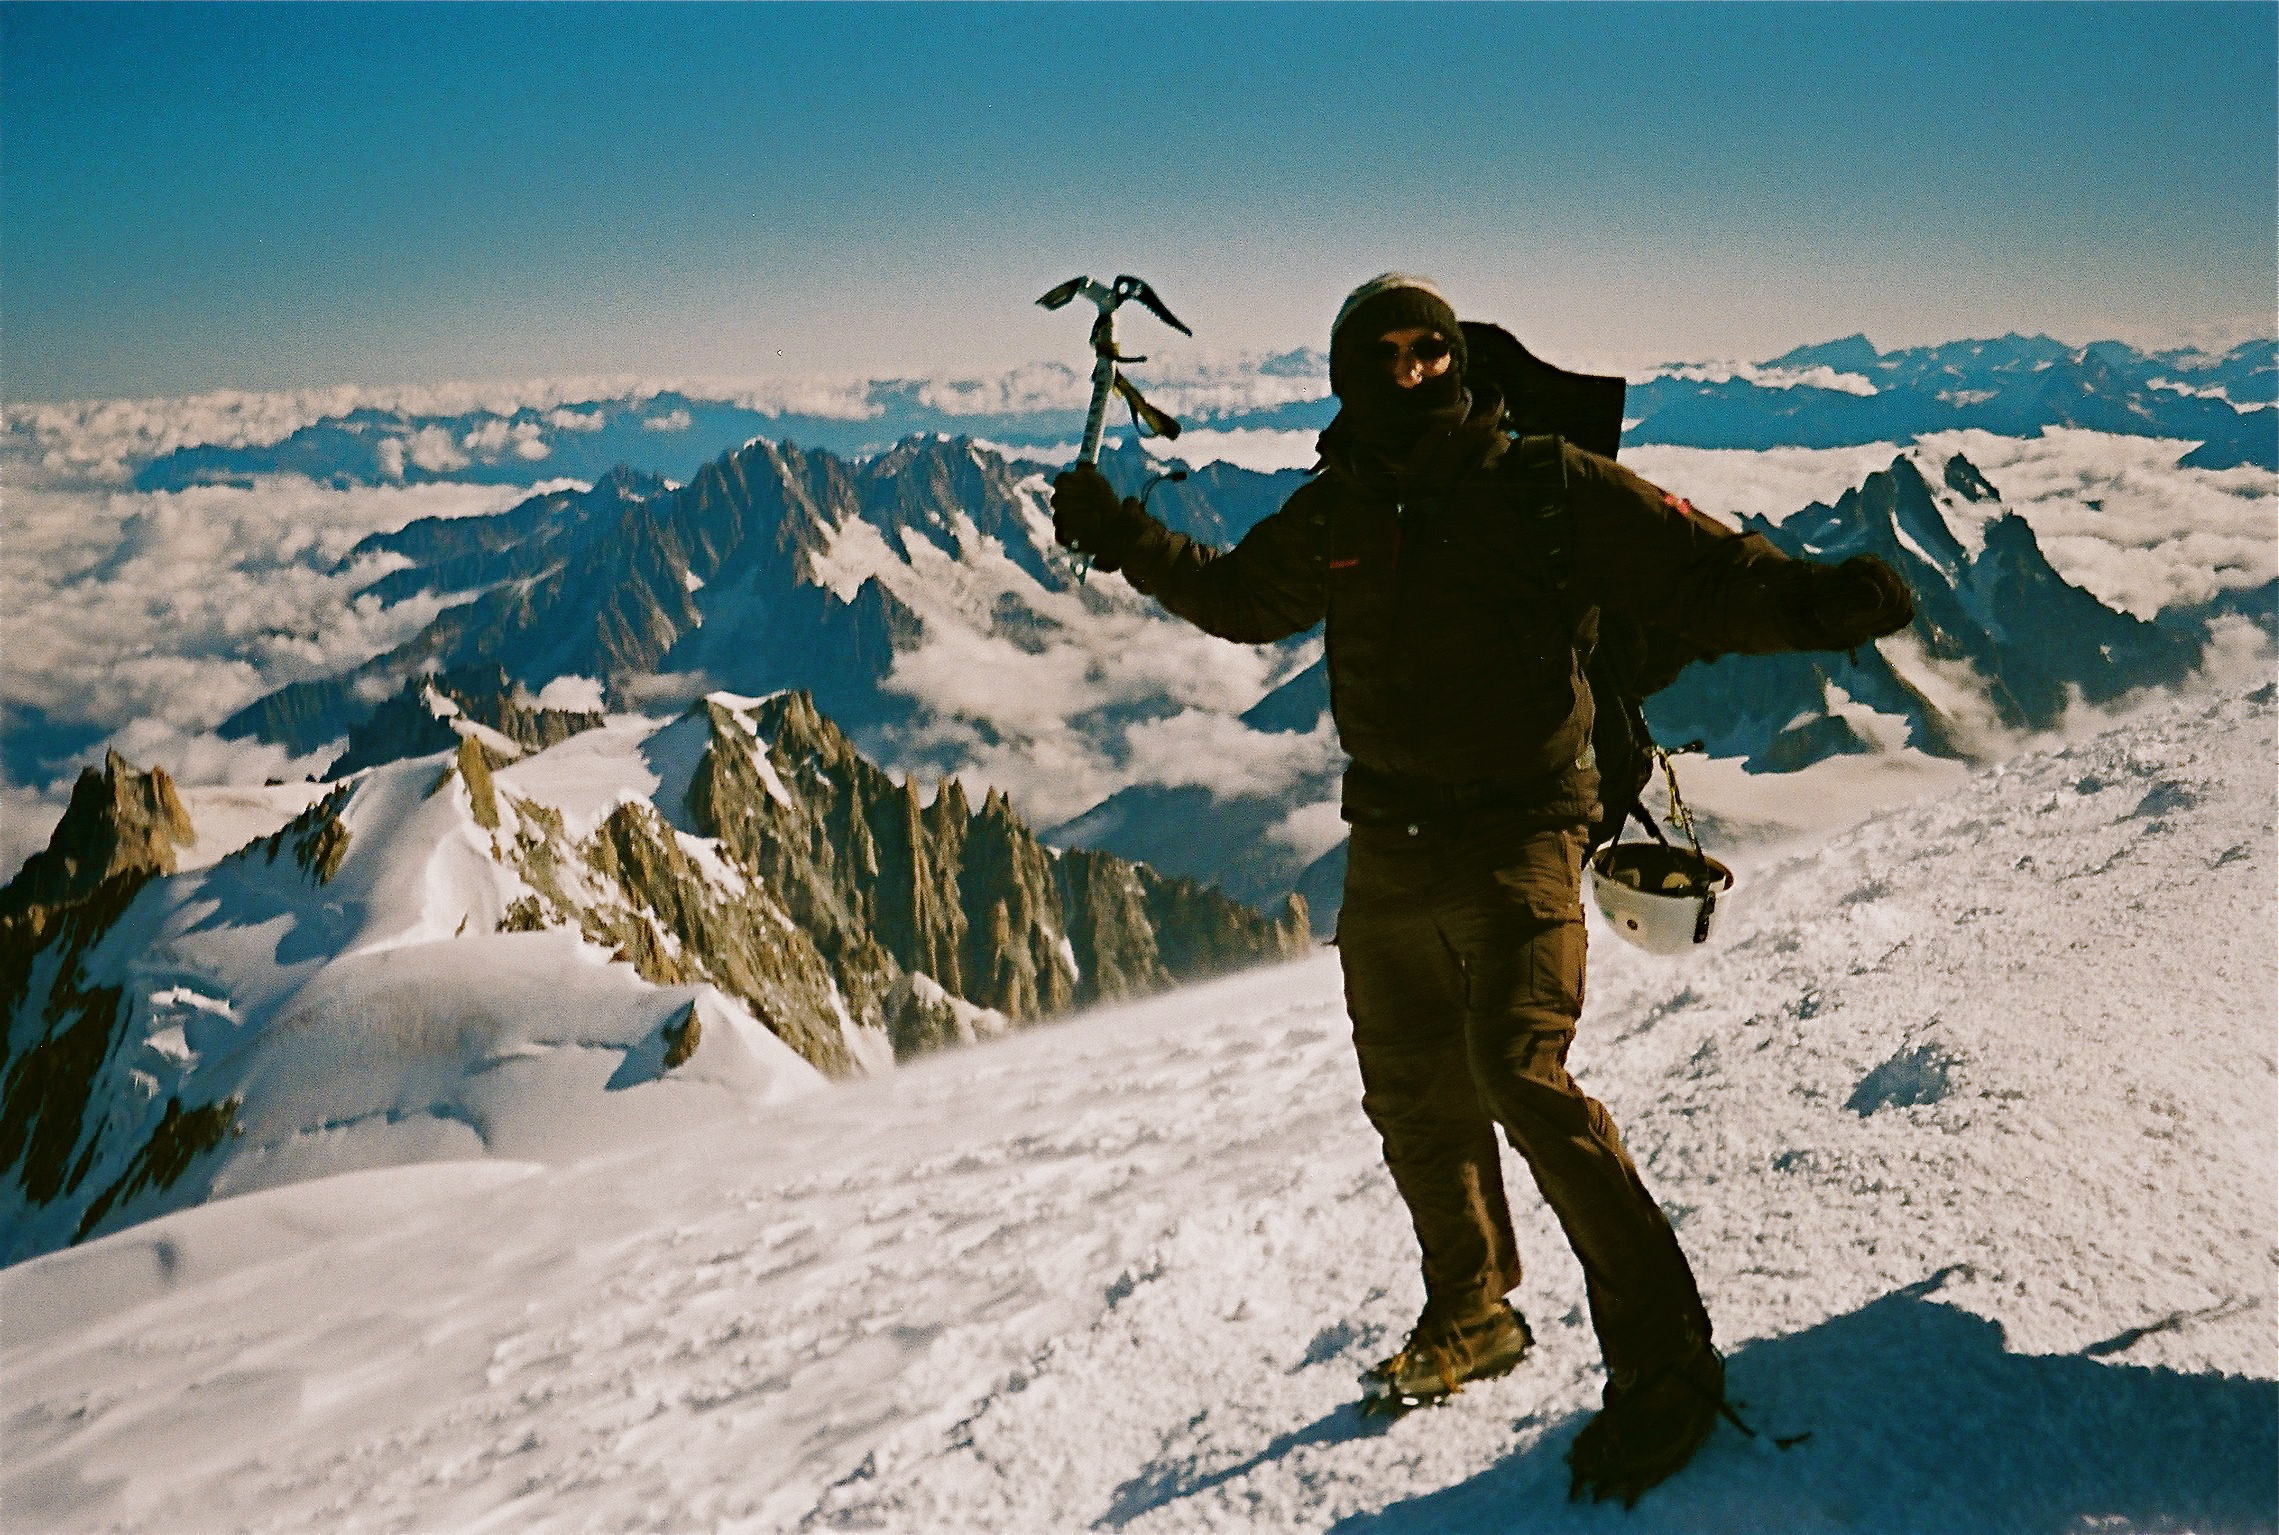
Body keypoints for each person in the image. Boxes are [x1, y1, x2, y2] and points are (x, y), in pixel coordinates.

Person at [1048, 273, 1914, 1505]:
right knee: (1411, 1088)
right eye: (1384, 355)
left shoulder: (1542, 485)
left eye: (1428, 350)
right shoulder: (1341, 504)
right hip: (1389, 832)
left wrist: (1811, 599)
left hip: (1522, 825)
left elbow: (1698, 572)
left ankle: (1665, 1367)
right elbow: (1246, 599)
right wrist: (1127, 536)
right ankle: (1471, 1313)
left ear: (1457, 360)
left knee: (1516, 1067)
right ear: (1350, 375)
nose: (1409, 371)